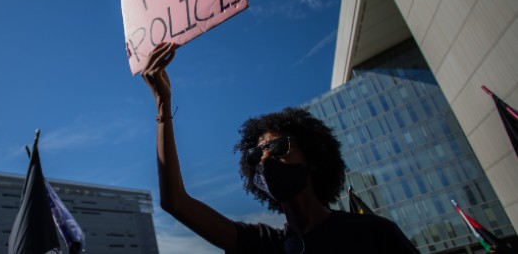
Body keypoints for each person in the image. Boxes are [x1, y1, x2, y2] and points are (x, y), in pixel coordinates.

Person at [142, 42, 420, 253]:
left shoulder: (374, 234)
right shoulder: (262, 244)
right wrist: (163, 108)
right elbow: (175, 202)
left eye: (277, 148)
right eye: (255, 156)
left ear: (312, 158)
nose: (265, 160)